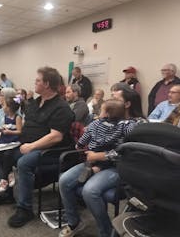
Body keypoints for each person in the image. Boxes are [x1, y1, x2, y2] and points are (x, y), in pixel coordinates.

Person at [0, 66, 74, 228]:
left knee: (24, 162)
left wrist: (31, 146)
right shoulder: (34, 103)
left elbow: (56, 136)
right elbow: (23, 120)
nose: (35, 82)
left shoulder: (61, 108)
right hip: (26, 143)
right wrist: (12, 132)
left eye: (38, 80)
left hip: (50, 150)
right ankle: (8, 193)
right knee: (0, 151)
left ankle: (25, 209)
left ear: (47, 84)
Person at [59, 85, 146, 237]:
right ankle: (74, 222)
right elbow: (87, 138)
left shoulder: (137, 124)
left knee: (90, 190)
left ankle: (105, 232)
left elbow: (132, 153)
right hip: (95, 161)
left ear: (127, 104)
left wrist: (101, 156)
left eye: (115, 98)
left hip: (120, 167)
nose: (110, 100)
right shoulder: (104, 120)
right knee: (64, 180)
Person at [76, 99, 135, 183]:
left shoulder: (95, 123)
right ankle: (94, 170)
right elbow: (131, 133)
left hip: (94, 150)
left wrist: (79, 145)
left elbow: (86, 136)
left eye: (101, 110)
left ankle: (89, 167)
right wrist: (130, 122)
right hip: (110, 151)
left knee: (93, 160)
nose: (99, 112)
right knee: (106, 163)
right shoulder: (123, 125)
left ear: (107, 114)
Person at [0, 96, 23, 192]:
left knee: (7, 155)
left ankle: (3, 179)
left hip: (14, 140)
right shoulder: (5, 117)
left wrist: (10, 132)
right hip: (5, 139)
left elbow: (19, 131)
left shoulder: (17, 117)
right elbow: (5, 127)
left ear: (9, 108)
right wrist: (1, 129)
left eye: (4, 106)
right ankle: (10, 173)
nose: (3, 108)